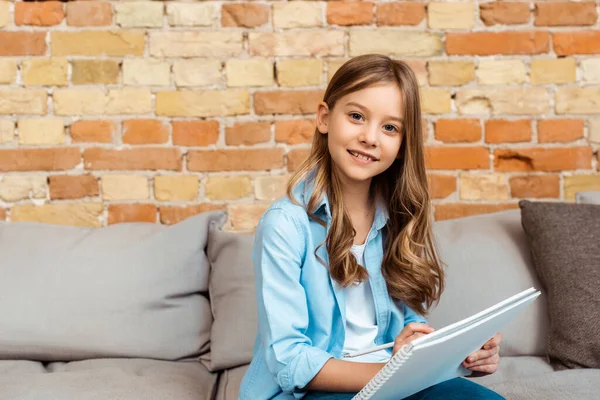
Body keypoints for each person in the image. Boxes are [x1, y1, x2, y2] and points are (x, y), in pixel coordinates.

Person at [239, 54, 505, 400]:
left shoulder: (398, 217)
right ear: (324, 118)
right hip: (308, 391)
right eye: (356, 116)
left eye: (390, 127)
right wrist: (394, 370)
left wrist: (457, 355)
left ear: (401, 145)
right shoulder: (285, 225)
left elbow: (403, 332)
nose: (369, 137)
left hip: (390, 380)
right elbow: (289, 361)